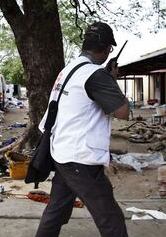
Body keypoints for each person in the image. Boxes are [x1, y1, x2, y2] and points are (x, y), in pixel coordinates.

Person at [35, 22, 129, 237]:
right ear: (106, 49)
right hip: (80, 158)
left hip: (61, 151)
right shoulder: (97, 74)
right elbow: (122, 112)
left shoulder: (69, 69)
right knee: (110, 217)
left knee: (56, 210)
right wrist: (112, 79)